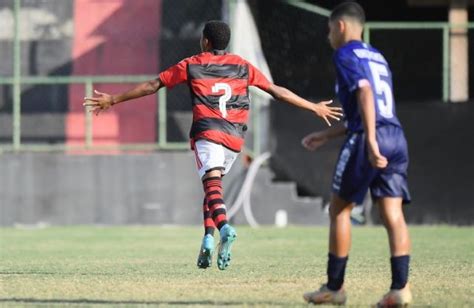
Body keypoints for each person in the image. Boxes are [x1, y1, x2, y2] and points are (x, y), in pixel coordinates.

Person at [83, 20, 342, 271]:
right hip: (234, 138)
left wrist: (114, 99)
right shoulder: (242, 66)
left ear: (205, 41)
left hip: (208, 133)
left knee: (212, 184)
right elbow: (276, 91)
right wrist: (313, 106)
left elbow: (153, 85)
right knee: (212, 186)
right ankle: (208, 238)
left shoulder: (192, 64)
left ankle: (224, 228)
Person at [301, 3, 412, 306]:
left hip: (370, 138)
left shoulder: (345, 54)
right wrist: (327, 134)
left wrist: (371, 142)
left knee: (339, 210)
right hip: (396, 136)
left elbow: (364, 93)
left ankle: (334, 288)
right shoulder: (377, 55)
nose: (329, 37)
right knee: (392, 213)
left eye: (329, 30)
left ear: (340, 27)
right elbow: (373, 106)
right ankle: (400, 289)